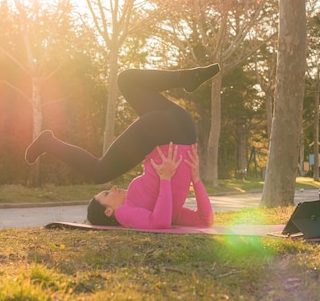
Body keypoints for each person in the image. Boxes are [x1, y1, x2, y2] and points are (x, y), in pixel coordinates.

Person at [25, 64, 219, 229]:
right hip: (169, 132)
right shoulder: (124, 213)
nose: (114, 188)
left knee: (126, 80)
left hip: (181, 128)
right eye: (107, 194)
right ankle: (48, 143)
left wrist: (183, 179)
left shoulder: (152, 206)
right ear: (110, 212)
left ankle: (185, 78)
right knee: (98, 173)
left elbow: (197, 221)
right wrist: (196, 179)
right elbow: (175, 223)